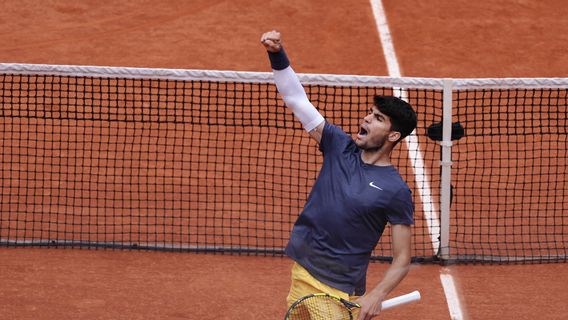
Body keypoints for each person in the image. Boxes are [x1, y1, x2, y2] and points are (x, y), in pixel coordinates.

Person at [260, 30, 417, 320]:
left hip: (338, 291)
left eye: (378, 118)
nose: (367, 118)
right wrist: (277, 54)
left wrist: (378, 293)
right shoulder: (338, 146)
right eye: (371, 113)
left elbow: (402, 258)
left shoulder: (396, 191)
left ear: (394, 135)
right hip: (302, 273)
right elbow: (296, 99)